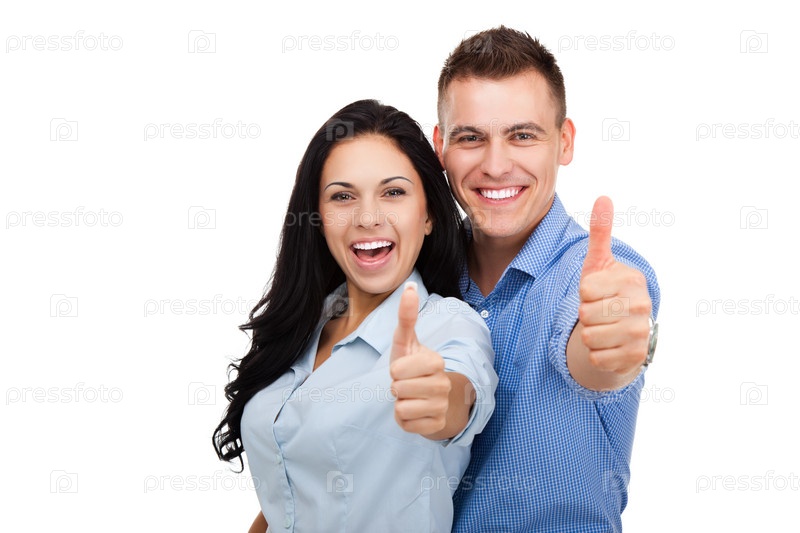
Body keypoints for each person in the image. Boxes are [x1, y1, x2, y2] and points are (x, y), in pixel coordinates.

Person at [212, 99, 497, 532]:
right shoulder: (304, 324)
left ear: (429, 216)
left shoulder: (447, 325)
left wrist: (441, 398)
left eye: (393, 192)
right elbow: (287, 497)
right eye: (343, 196)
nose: (367, 217)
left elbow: (460, 396)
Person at [431, 27, 661, 532]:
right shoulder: (420, 276)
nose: (496, 166)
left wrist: (616, 345)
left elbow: (597, 354)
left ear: (564, 142)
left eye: (522, 135)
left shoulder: (601, 274)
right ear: (440, 146)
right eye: (471, 138)